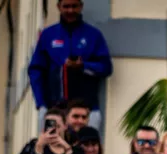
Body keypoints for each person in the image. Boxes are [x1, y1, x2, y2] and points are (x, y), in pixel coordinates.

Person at [27, 0, 112, 128]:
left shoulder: (93, 35)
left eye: (74, 6)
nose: (70, 10)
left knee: (87, 141)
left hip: (86, 111)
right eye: (66, 6)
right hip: (54, 109)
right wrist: (41, 104)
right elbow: (35, 70)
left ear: (81, 6)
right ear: (58, 7)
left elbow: (106, 67)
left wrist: (83, 66)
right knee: (51, 140)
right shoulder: (48, 35)